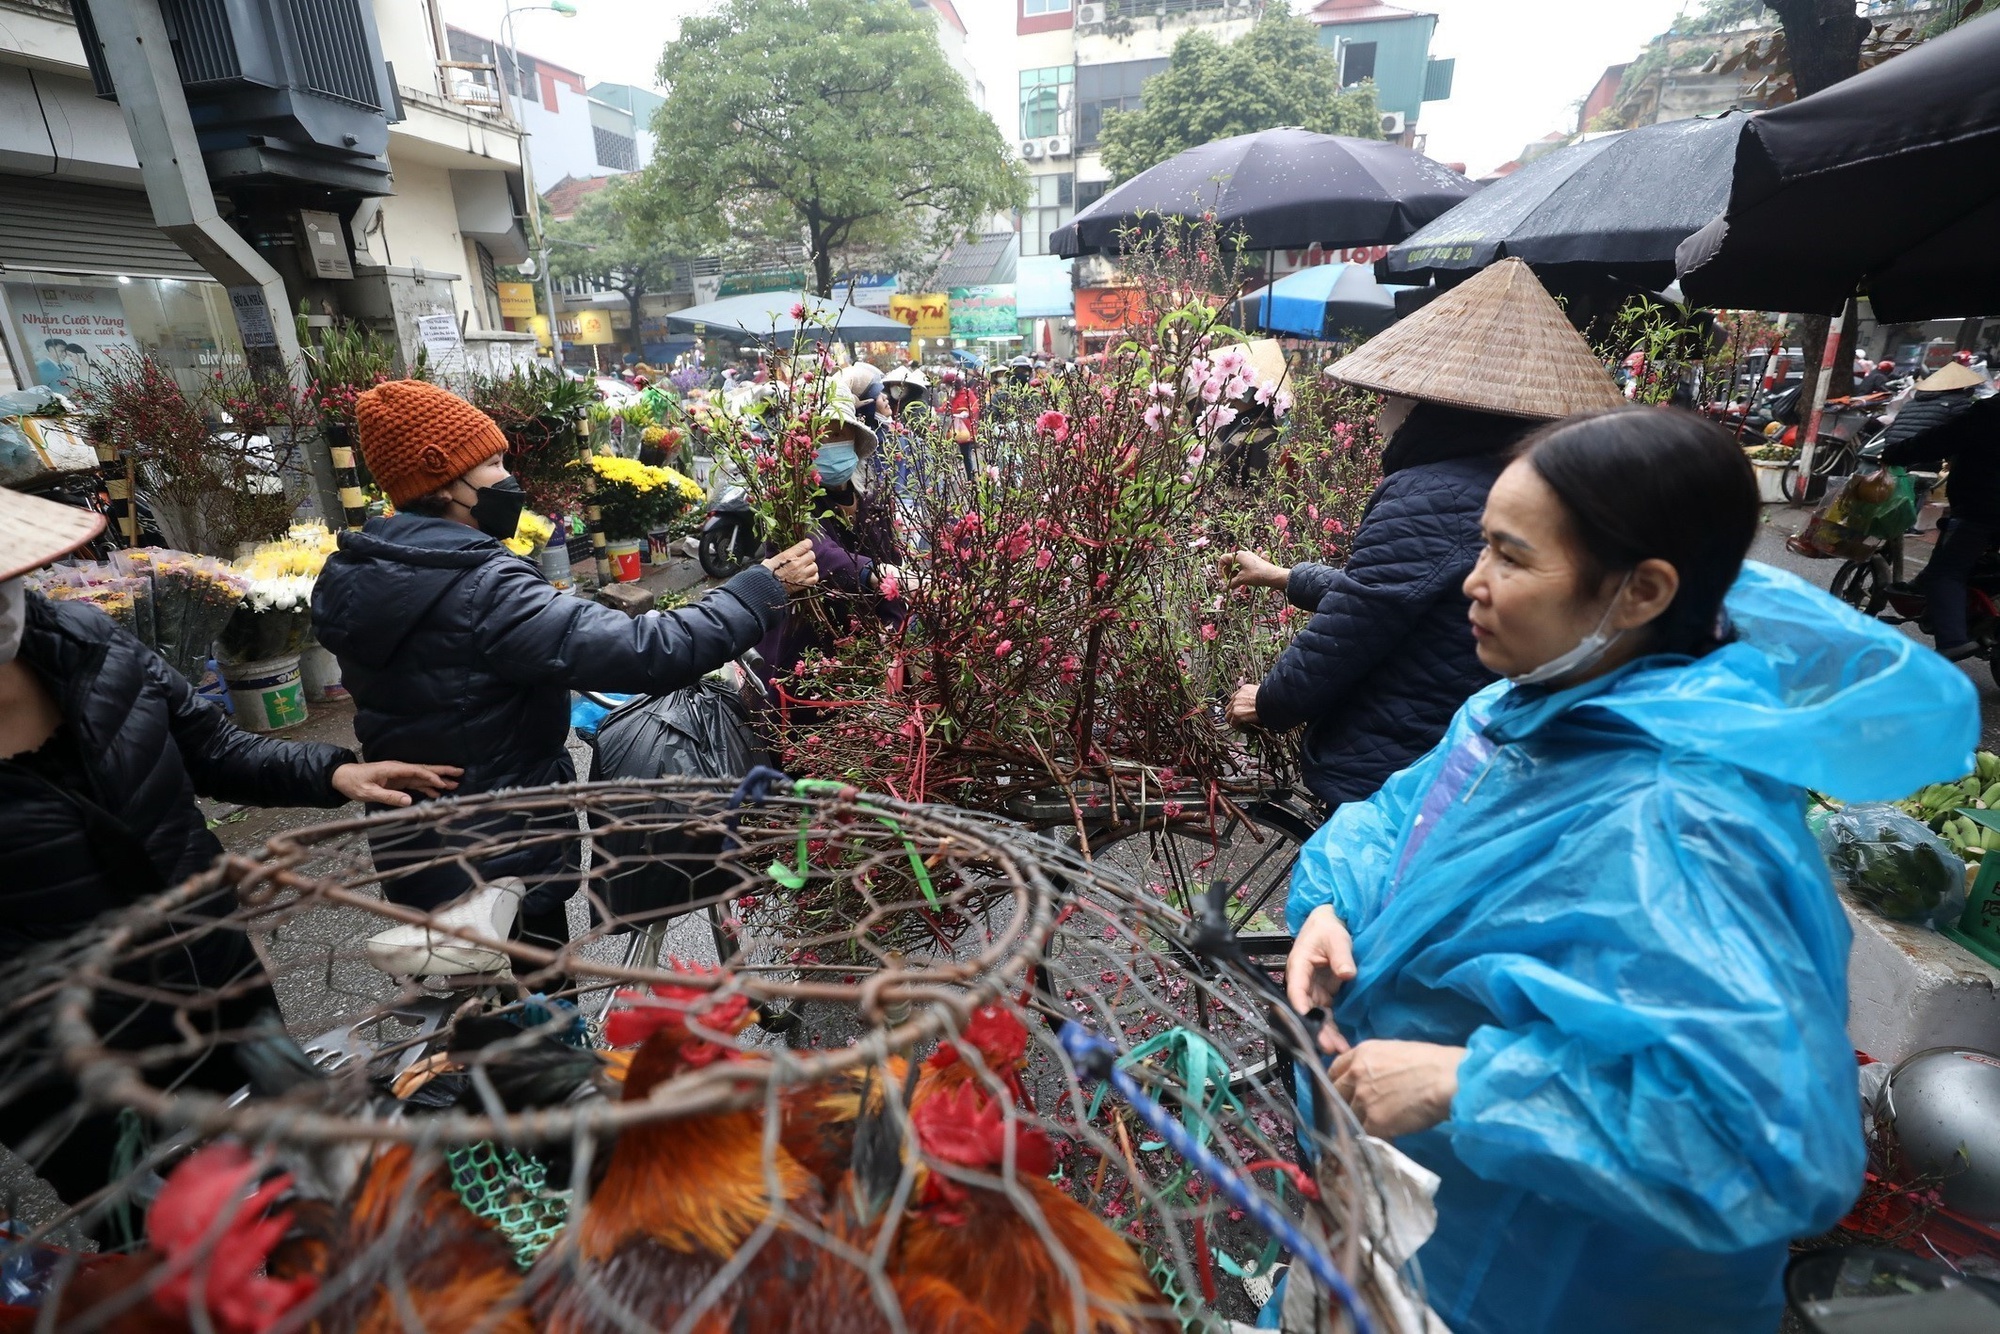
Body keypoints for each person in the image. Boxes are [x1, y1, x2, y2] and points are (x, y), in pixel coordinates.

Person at [1282, 408, 1977, 1334]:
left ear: (1643, 590)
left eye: (1512, 557)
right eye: (1481, 549)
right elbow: (1398, 822)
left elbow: (1771, 1149)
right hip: (1407, 1229)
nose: (1473, 585)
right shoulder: (1515, 710)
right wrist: (1332, 904)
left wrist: (1470, 1085)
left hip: (1547, 1291)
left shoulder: (1692, 825)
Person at [0, 488, 461, 1211]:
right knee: (171, 1249)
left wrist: (332, 770)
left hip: (222, 982)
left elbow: (209, 745)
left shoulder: (87, 645)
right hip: (75, 1068)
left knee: (313, 1194)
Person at [312, 379, 818, 951]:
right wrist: (757, 591)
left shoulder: (353, 575)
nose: (508, 479)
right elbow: (649, 651)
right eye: (493, 463)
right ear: (441, 476)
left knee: (477, 1024)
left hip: (414, 845)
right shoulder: (482, 588)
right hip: (502, 845)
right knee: (539, 1015)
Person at [1219, 258, 1624, 813]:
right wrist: (1283, 576)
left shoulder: (1433, 490)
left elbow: (1363, 616)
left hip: (1403, 757)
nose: (1383, 412)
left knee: (1357, 894)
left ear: (1431, 408)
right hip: (1483, 743)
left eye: (1392, 397)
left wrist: (1270, 701)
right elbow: (1413, 590)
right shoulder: (1533, 482)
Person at [755, 392, 905, 689]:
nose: (831, 443)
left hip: (864, 657)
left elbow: (895, 576)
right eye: (822, 436)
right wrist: (874, 573)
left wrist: (892, 630)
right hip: (802, 661)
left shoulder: (872, 506)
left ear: (853, 441)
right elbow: (820, 554)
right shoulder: (791, 509)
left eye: (839, 434)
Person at [1880, 370, 2000, 660]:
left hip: (1982, 509)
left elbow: (1937, 439)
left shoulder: (1988, 413)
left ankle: (1953, 640)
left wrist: (1894, 454)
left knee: (1946, 573)